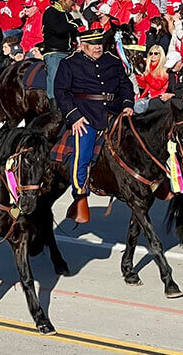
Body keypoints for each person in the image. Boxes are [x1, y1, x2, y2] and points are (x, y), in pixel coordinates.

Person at [54, 27, 134, 223]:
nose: (98, 48)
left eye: (99, 44)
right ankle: (80, 194)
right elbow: (61, 92)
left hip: (115, 111)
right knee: (83, 151)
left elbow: (125, 85)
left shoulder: (113, 61)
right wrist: (74, 117)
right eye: (93, 45)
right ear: (83, 46)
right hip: (86, 114)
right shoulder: (69, 64)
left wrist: (127, 105)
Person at [42, 0, 80, 109]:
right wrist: (74, 25)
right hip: (54, 53)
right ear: (63, 1)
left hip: (69, 53)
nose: (73, 3)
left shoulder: (68, 15)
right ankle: (54, 105)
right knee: (55, 76)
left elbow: (74, 32)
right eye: (71, 1)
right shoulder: (50, 13)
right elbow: (58, 29)